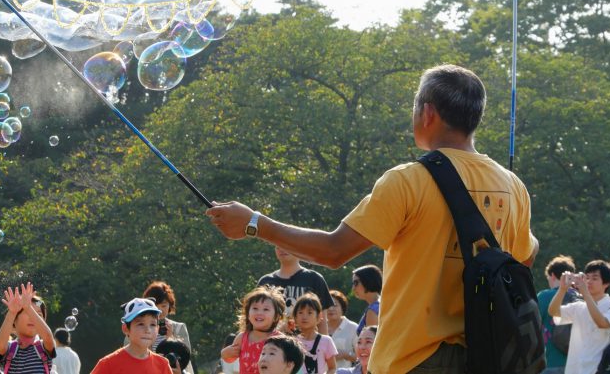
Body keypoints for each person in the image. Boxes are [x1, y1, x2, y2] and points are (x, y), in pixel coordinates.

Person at [206, 64, 538, 373]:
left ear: (427, 113)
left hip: (413, 360)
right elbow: (525, 257)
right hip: (487, 358)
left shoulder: (409, 180)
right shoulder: (512, 186)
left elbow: (334, 250)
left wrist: (254, 222)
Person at [549, 260, 610, 374]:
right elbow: (553, 312)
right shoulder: (579, 307)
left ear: (606, 283)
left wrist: (585, 294)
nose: (589, 282)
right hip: (575, 370)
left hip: (601, 370)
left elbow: (602, 323)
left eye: (594, 278)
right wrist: (562, 289)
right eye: (587, 278)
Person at [258, 247, 334, 335]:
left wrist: (323, 345)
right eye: (278, 245)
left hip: (306, 345)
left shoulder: (315, 279)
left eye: (286, 244)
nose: (282, 248)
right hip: (271, 344)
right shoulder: (265, 281)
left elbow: (322, 321)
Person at [90, 297, 171, 374]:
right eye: (141, 324)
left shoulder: (162, 365)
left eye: (152, 325)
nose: (148, 330)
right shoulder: (108, 364)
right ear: (125, 329)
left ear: (158, 328)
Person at [131, 281, 195, 373]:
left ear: (170, 305)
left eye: (164, 305)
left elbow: (186, 358)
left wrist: (171, 339)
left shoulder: (179, 328)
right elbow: (130, 358)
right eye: (155, 306)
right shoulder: (135, 329)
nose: (160, 310)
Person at [221, 287, 285, 374]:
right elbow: (230, 359)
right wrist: (225, 353)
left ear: (276, 316)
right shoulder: (242, 338)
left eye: (266, 309)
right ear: (248, 314)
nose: (259, 312)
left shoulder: (279, 339)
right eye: (255, 308)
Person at [0, 283, 56, 374]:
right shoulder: (10, 348)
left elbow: (47, 336)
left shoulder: (44, 348)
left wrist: (28, 307)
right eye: (27, 313)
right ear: (14, 320)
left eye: (38, 315)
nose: (33, 318)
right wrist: (12, 313)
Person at [538, 255, 576, 374]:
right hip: (578, 366)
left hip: (551, 363)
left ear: (553, 275)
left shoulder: (543, 297)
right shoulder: (581, 297)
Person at [293, 294, 337, 374]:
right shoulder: (292, 342)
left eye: (310, 313)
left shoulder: (326, 341)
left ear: (319, 316)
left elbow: (332, 368)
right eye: (300, 312)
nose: (304, 316)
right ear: (295, 317)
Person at [325, 291, 357, 369]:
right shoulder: (318, 326)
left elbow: (362, 356)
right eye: (328, 305)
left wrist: (345, 354)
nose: (331, 308)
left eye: (335, 305)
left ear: (342, 308)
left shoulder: (353, 328)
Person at [350, 266, 380, 335]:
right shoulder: (383, 303)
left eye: (356, 283)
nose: (353, 288)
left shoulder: (373, 311)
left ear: (367, 281)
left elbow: (372, 342)